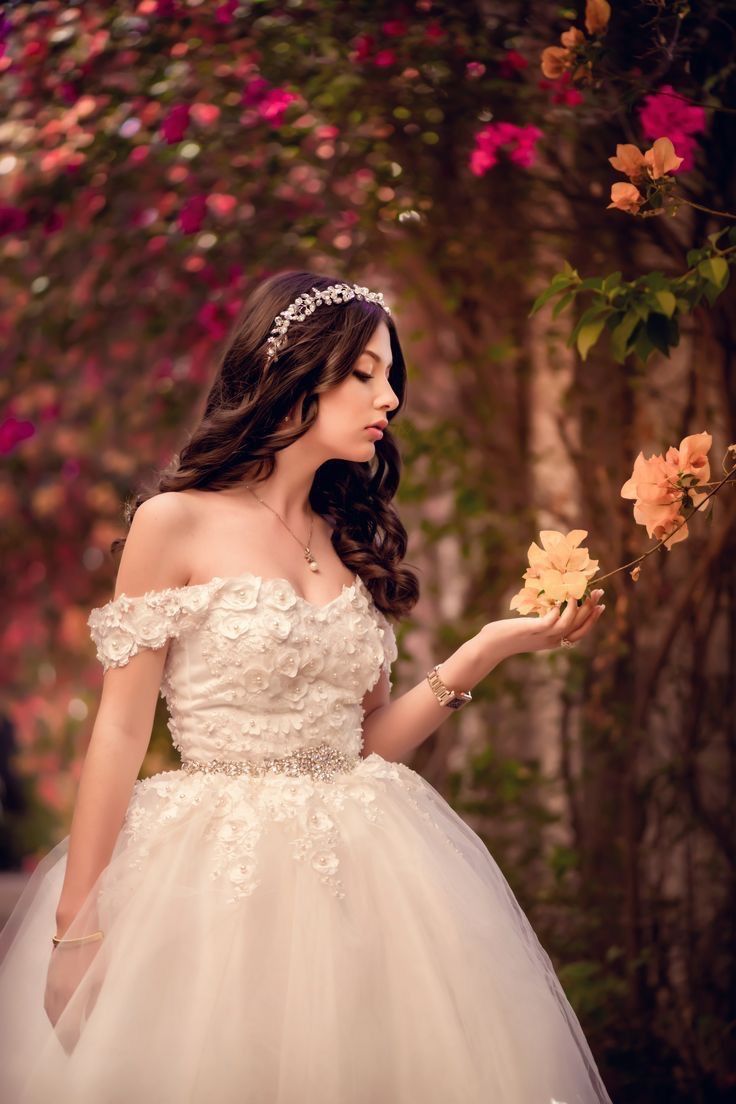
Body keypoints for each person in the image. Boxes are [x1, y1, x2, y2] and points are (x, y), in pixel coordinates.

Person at [0, 271, 611, 1103]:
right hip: (211, 878)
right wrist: (77, 927)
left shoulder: (350, 537)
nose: (387, 397)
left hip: (367, 878)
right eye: (364, 373)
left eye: (390, 376)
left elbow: (363, 745)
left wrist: (485, 652)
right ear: (292, 372)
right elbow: (116, 731)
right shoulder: (174, 522)